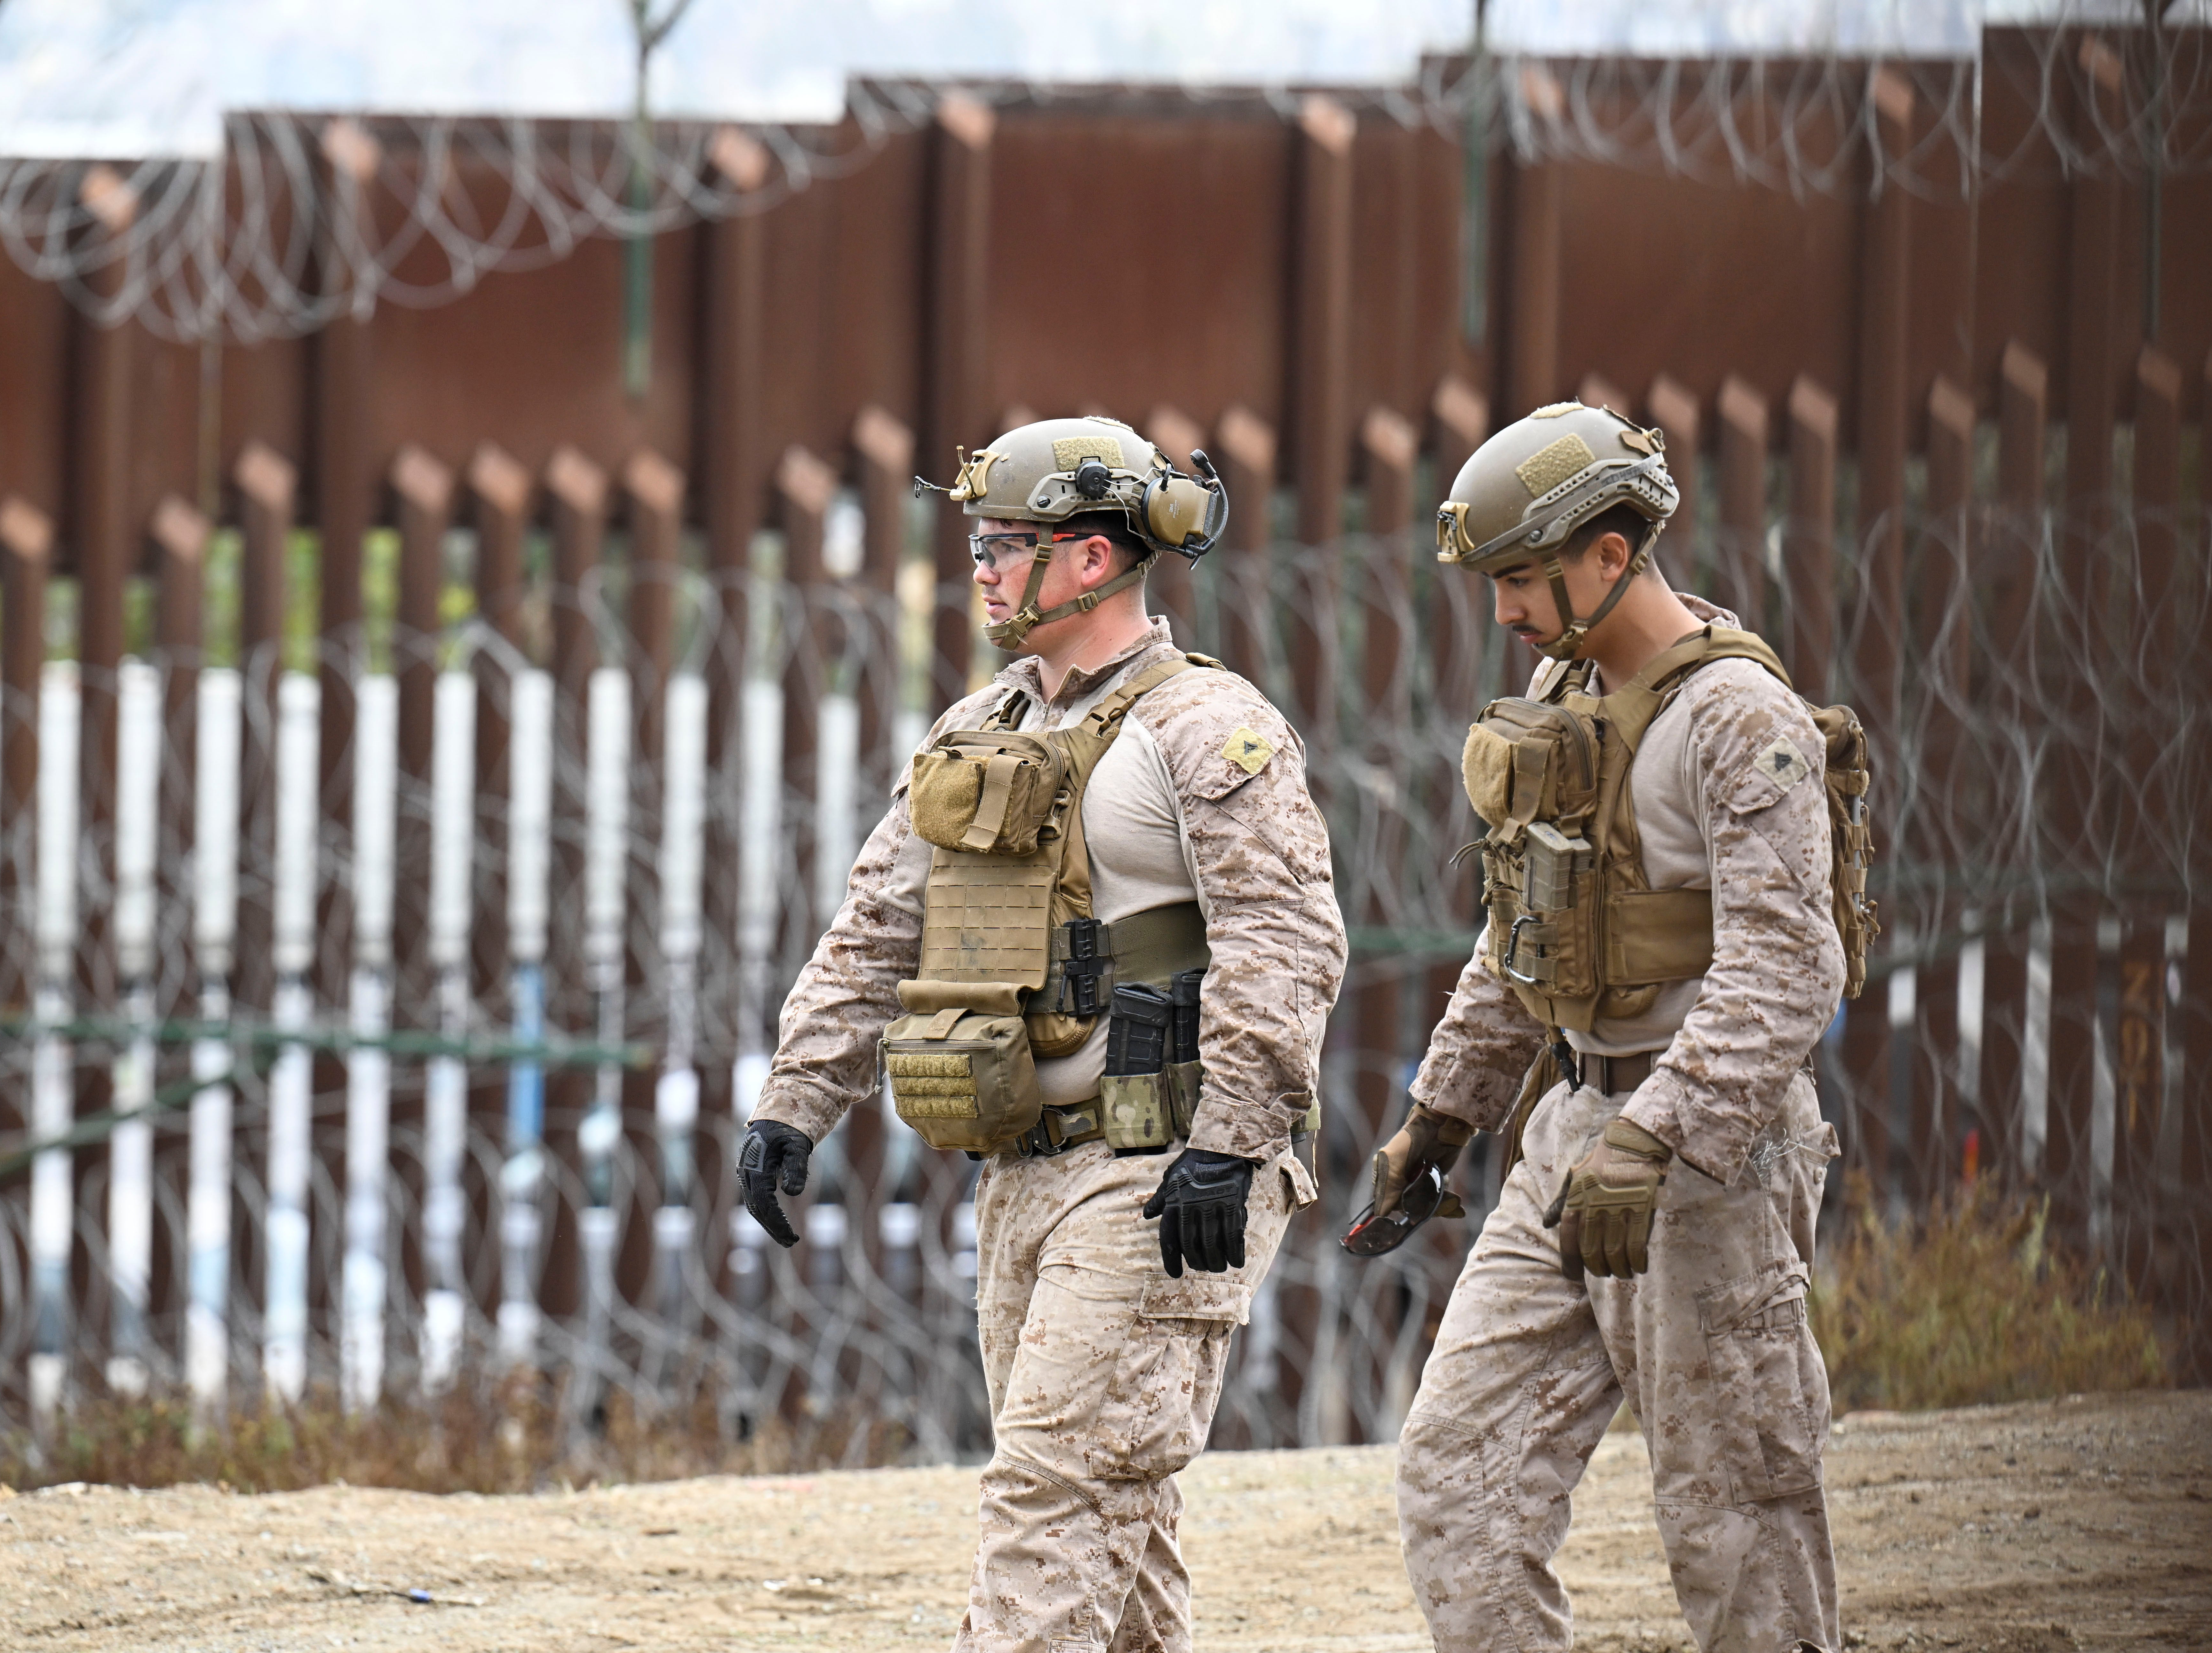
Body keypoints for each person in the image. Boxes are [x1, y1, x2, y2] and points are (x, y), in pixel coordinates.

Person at [736, 415, 1346, 1652]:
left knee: (1051, 1497)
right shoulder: (978, 729)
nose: (979, 570)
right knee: (1114, 1504)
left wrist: (1229, 1142)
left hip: (1165, 1168)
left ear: (1089, 561)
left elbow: (1288, 945)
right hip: (1027, 1168)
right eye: (975, 544)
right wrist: (795, 1103)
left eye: (1004, 545)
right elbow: (877, 929)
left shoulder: (1207, 730)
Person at [1365, 400, 1855, 1653]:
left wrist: (1661, 1138)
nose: (1504, 609)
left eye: (1521, 578)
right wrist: (1445, 1111)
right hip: (1569, 1129)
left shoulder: (1741, 719)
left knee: (1735, 1511)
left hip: (1707, 1162)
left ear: (1612, 552)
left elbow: (1790, 964)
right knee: (1458, 1476)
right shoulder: (1565, 687)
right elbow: (1522, 928)